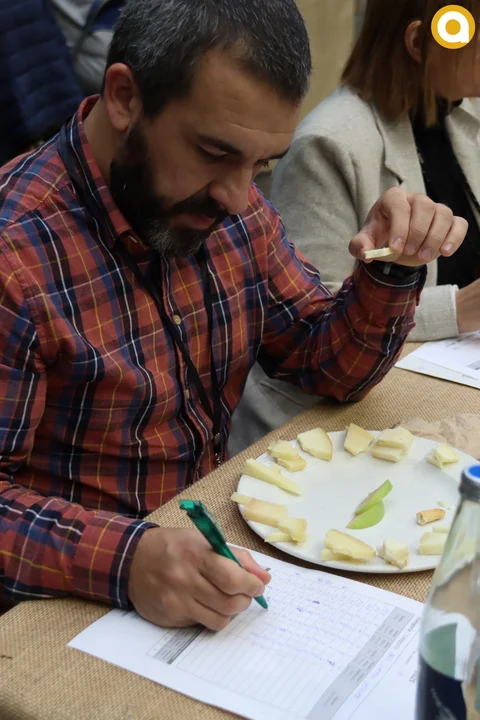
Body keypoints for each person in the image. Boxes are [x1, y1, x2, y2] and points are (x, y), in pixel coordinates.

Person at [0, 0, 466, 632]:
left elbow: (327, 365)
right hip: (66, 604)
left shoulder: (233, 211)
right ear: (124, 98)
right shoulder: (16, 257)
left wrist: (392, 269)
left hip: (214, 541)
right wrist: (127, 559)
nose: (241, 197)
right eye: (214, 152)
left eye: (262, 165)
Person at [229, 0, 480, 456]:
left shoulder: (464, 114)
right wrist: (458, 308)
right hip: (328, 421)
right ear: (419, 42)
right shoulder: (328, 142)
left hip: (432, 375)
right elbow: (318, 321)